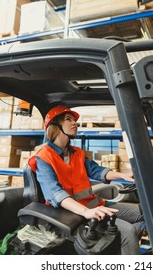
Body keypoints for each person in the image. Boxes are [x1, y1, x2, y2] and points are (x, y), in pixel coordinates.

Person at [28, 105, 144, 255]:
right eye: (68, 119)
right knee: (128, 231)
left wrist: (122, 176)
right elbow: (54, 193)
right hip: (73, 214)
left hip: (95, 205)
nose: (75, 123)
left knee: (144, 213)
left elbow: (97, 171)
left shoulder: (77, 153)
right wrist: (85, 212)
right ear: (54, 126)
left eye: (75, 120)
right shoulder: (44, 158)